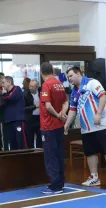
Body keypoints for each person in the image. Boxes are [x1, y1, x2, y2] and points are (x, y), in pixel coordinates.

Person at [65, 66, 106, 189]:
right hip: (86, 128)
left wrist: (99, 113)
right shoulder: (74, 91)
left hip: (102, 125)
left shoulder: (92, 82)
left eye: (71, 76)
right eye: (68, 77)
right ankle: (94, 177)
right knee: (90, 153)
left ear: (78, 73)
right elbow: (73, 109)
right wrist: (67, 124)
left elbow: (103, 96)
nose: (69, 79)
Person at [39, 62, 68, 194]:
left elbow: (48, 106)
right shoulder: (59, 84)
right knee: (59, 154)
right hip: (59, 126)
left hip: (49, 125)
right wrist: (63, 114)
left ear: (41, 73)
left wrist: (57, 115)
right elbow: (66, 102)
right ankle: (61, 182)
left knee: (51, 156)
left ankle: (55, 185)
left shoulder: (46, 85)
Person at [1, 76, 27, 150]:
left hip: (17, 120)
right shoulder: (5, 93)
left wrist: (4, 94)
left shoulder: (17, 89)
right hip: (9, 120)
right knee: (12, 141)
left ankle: (23, 158)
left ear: (9, 82)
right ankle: (14, 159)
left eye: (3, 82)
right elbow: (3, 104)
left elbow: (10, 98)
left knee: (20, 140)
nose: (2, 85)